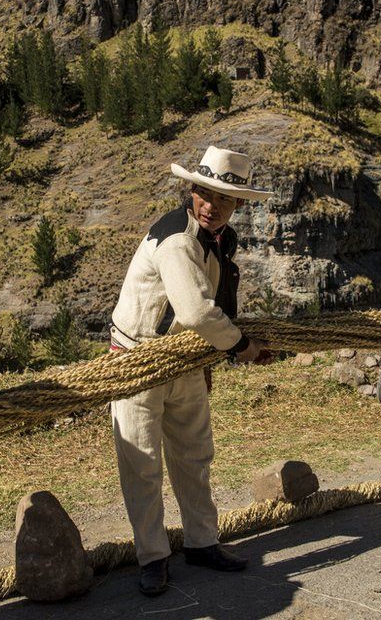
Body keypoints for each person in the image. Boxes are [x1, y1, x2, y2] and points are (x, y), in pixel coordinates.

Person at [109, 145, 274, 596]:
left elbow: (205, 311)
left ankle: (202, 542)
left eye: (223, 199)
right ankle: (153, 556)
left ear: (238, 204)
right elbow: (198, 312)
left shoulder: (219, 239)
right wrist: (242, 348)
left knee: (194, 456)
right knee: (142, 463)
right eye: (205, 194)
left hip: (184, 358)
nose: (211, 206)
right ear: (191, 189)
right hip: (139, 360)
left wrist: (207, 361)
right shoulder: (178, 240)